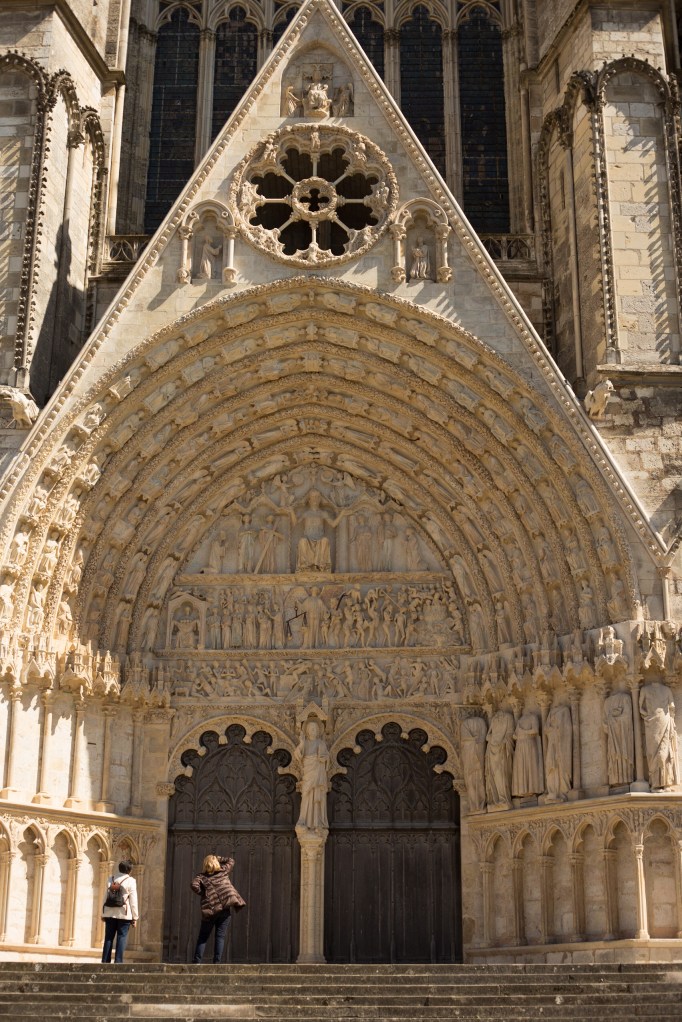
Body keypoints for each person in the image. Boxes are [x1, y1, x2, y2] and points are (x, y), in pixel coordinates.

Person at [190, 854, 246, 963]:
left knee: (203, 937)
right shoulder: (223, 872)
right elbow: (231, 860)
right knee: (220, 937)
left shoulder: (201, 877)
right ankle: (217, 963)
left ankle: (196, 962)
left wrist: (204, 893)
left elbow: (193, 885)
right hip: (225, 910)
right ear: (216, 863)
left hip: (211, 910)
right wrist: (218, 858)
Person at [101, 860, 138, 963]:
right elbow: (133, 900)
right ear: (129, 870)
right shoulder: (131, 881)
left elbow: (105, 897)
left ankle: (105, 962)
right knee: (121, 937)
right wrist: (135, 917)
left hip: (109, 913)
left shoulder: (111, 879)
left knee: (108, 938)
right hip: (124, 914)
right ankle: (118, 962)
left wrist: (103, 913)